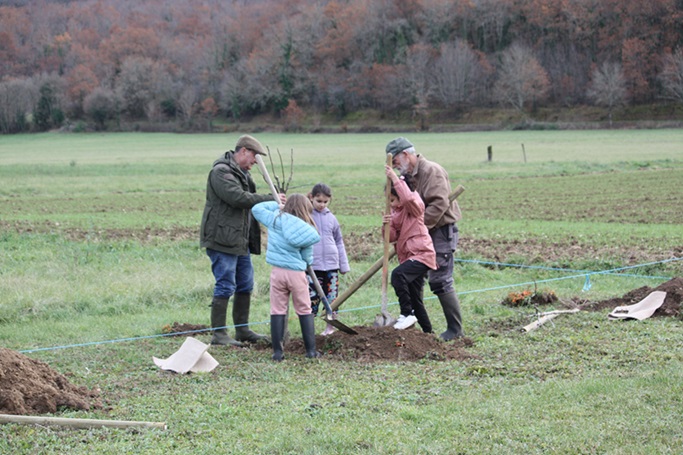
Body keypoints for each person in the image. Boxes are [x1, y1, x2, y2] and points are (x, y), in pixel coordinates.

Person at [200, 134, 285, 347]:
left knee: (245, 284)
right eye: (255, 156)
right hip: (222, 238)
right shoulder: (220, 172)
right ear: (244, 151)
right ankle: (219, 334)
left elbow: (251, 201)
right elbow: (238, 198)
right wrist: (271, 199)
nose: (256, 162)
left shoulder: (244, 174)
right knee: (225, 284)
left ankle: (242, 330)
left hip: (241, 239)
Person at [385, 137, 464, 340]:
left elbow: (438, 205)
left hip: (440, 229)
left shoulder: (431, 171)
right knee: (413, 281)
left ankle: (455, 330)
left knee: (440, 280)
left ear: (406, 155)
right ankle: (423, 331)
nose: (396, 166)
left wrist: (416, 229)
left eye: (395, 162)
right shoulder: (408, 177)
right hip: (418, 235)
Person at [252, 194, 322, 361]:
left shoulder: (275, 220)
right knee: (304, 309)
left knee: (277, 310)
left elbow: (256, 209)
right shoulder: (306, 228)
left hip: (277, 272)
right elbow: (307, 256)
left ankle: (277, 352)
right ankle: (311, 351)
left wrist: (277, 204)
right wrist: (307, 263)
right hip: (296, 273)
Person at [383, 167, 437, 332]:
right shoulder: (396, 213)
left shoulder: (415, 205)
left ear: (401, 194)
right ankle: (429, 333)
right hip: (407, 257)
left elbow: (407, 199)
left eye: (392, 200)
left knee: (398, 275)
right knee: (415, 298)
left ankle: (406, 314)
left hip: (422, 254)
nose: (390, 204)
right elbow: (391, 238)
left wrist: (394, 178)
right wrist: (387, 224)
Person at [307, 183, 350, 336]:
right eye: (319, 201)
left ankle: (330, 328)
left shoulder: (332, 218)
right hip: (313, 266)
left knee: (332, 298)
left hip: (332, 266)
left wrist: (343, 265)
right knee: (312, 298)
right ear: (311, 198)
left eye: (325, 202)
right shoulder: (306, 216)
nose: (322, 205)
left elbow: (339, 241)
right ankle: (309, 329)